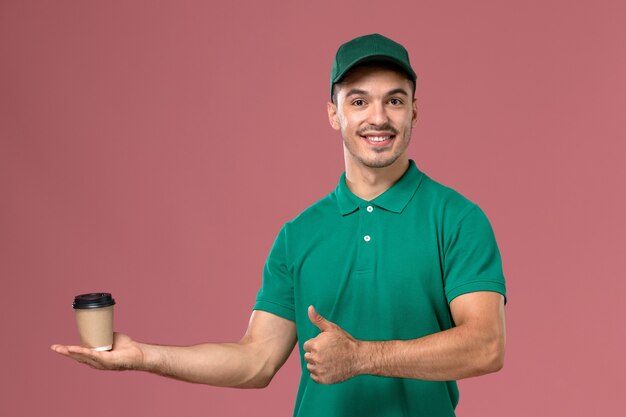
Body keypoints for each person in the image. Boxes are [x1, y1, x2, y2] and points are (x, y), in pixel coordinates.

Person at [52, 33, 507, 416]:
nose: (378, 117)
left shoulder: (458, 219)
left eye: (394, 100)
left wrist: (363, 357)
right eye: (358, 101)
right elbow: (256, 361)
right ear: (334, 114)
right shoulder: (299, 236)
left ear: (414, 111)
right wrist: (142, 356)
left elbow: (486, 346)